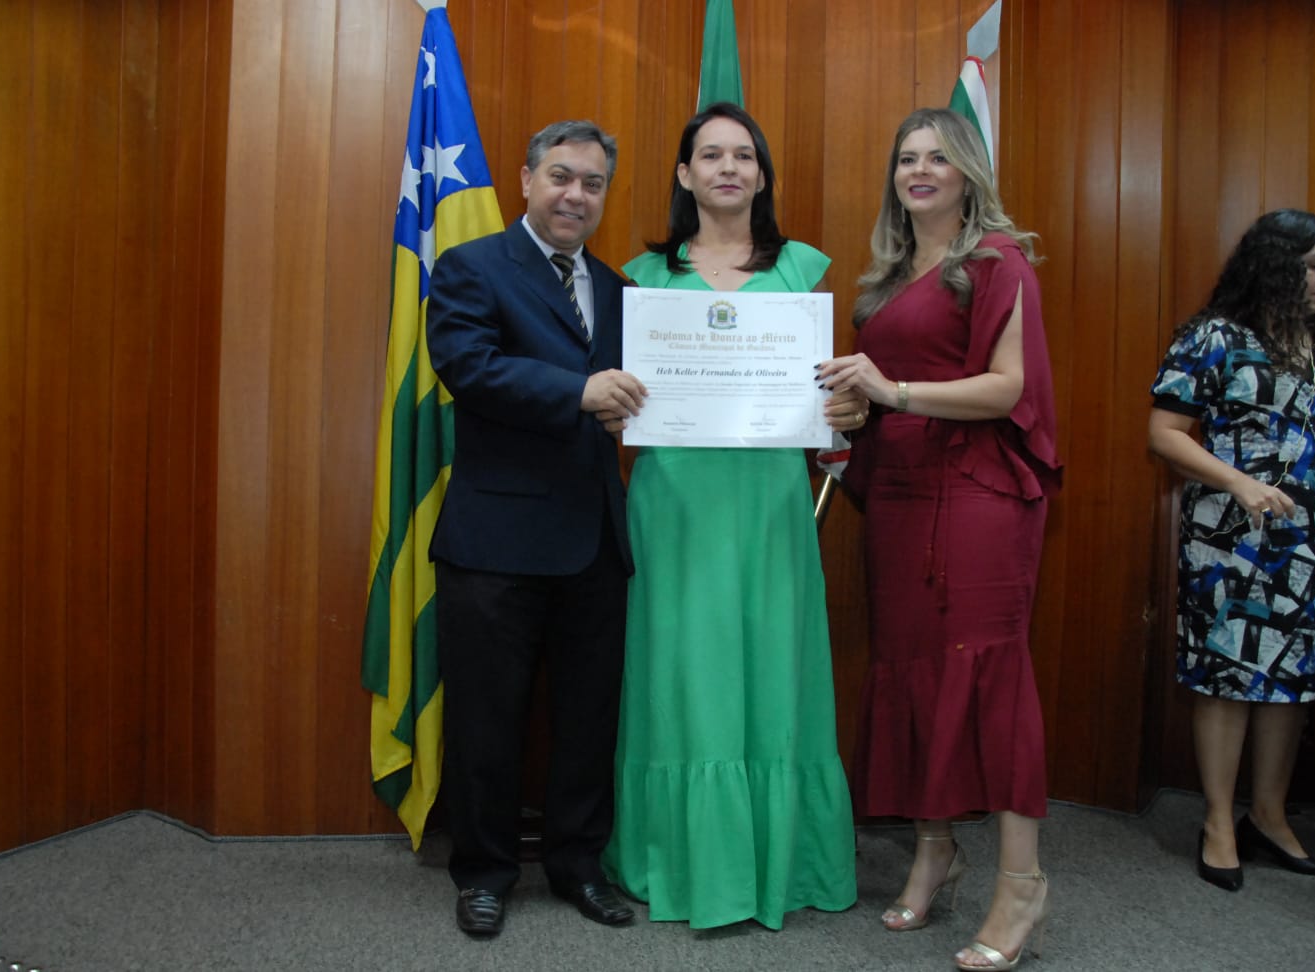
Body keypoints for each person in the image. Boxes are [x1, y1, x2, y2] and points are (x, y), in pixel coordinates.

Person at [599, 102, 862, 930]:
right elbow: (613, 390)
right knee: (683, 675)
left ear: (761, 175)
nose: (728, 168)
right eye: (710, 155)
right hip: (675, 504)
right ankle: (680, 860)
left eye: (743, 155)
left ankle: (781, 861)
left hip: (770, 506)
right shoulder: (641, 278)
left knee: (772, 668)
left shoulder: (802, 272)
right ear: (685, 174)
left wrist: (845, 412)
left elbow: (829, 405)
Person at [817, 107, 1061, 971]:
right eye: (906, 159)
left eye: (937, 158)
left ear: (967, 174)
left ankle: (1021, 882)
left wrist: (895, 392)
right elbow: (878, 392)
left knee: (987, 677)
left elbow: (1008, 389)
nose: (919, 171)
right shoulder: (886, 279)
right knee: (912, 671)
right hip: (899, 494)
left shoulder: (997, 262)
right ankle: (935, 851)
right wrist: (850, 406)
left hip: (978, 494)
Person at [426, 119, 648, 937]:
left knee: (587, 721)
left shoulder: (621, 290)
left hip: (593, 541)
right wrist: (578, 394)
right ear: (525, 180)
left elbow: (650, 391)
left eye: (592, 183)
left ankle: (578, 866)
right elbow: (468, 366)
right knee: (487, 721)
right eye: (561, 176)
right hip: (495, 542)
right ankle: (483, 874)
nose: (575, 195)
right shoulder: (471, 266)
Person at [1147, 208, 1315, 892]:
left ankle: (1271, 817)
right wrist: (1238, 482)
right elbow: (1165, 433)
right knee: (1227, 678)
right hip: (1230, 541)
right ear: (1275, 265)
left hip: (1310, 543)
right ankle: (1218, 823)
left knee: (1294, 680)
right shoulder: (1214, 337)